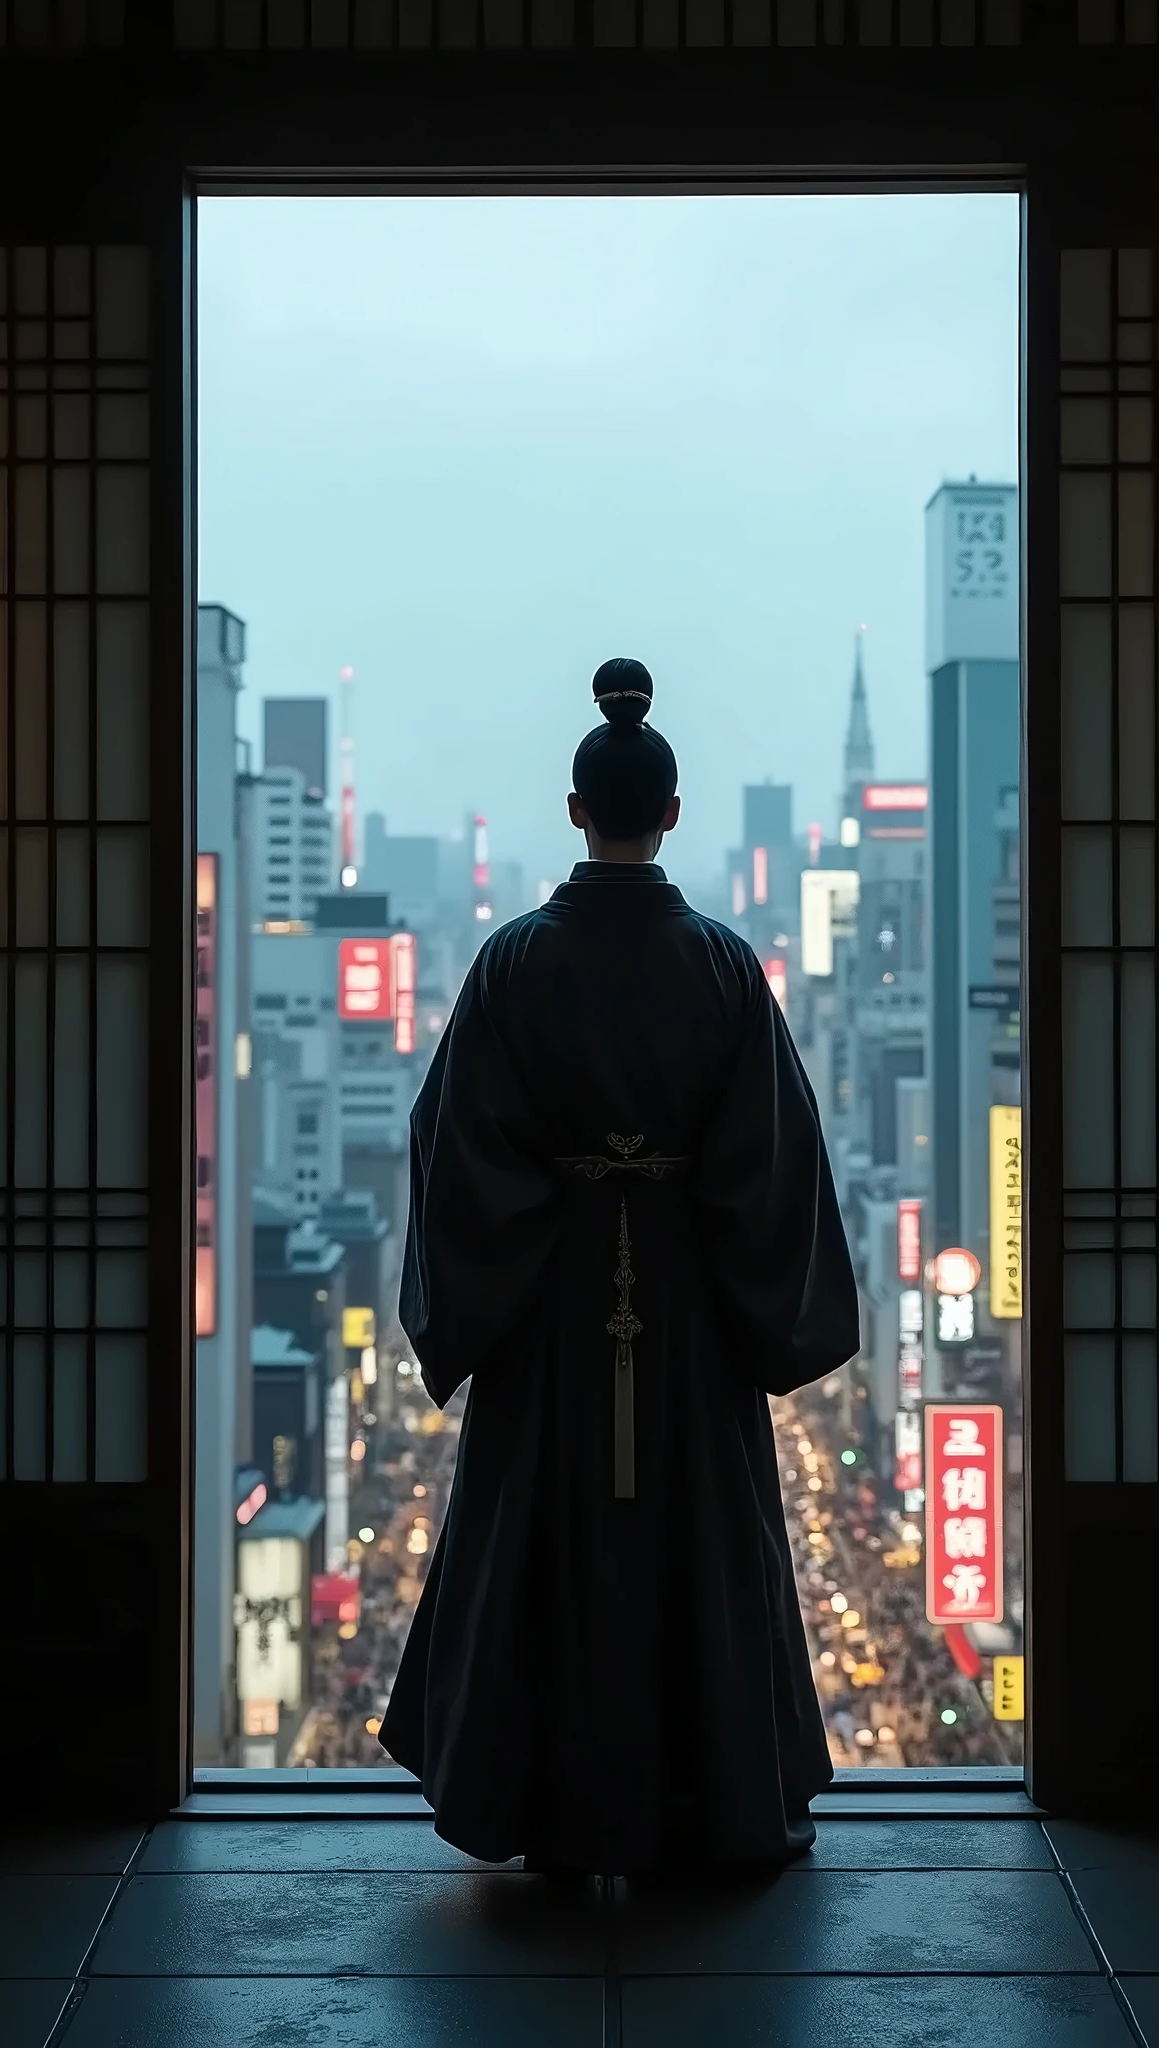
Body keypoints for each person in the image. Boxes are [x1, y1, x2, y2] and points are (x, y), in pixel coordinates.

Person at [378, 658, 860, 1877]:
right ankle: (708, 1803)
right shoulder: (719, 966)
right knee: (699, 1545)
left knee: (536, 1541)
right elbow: (774, 1160)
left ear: (577, 808)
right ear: (674, 812)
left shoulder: (509, 963)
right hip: (688, 1310)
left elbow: (452, 1151)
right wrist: (739, 1280)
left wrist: (535, 1235)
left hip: (547, 1306)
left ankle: (539, 1805)